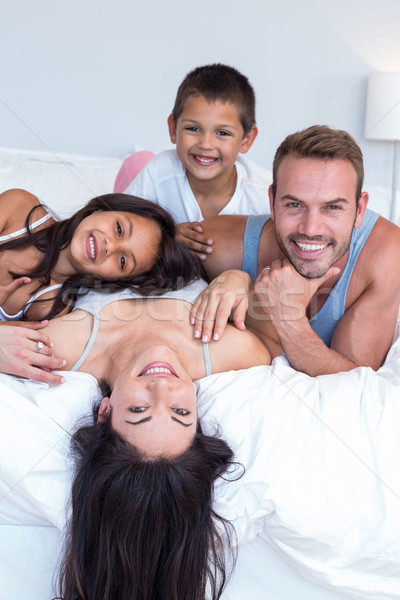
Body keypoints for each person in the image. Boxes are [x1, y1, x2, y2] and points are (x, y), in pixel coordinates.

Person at [16, 278, 270, 600]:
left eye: (138, 409)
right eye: (180, 412)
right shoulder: (235, 353)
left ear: (105, 412)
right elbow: (269, 310)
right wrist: (239, 281)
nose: (162, 387)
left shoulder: (57, 351)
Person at [189, 125, 400, 376]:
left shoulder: (385, 254)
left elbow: (353, 383)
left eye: (332, 207)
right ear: (272, 202)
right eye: (295, 204)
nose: (310, 229)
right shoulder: (219, 245)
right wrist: (236, 277)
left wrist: (287, 316)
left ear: (360, 210)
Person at [0, 189, 199, 383]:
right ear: (101, 208)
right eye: (119, 229)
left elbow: (9, 344)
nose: (110, 246)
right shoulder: (20, 207)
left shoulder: (50, 305)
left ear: (111, 280)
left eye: (122, 261)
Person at [122, 63, 272, 259]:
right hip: (147, 178)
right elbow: (121, 229)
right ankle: (132, 166)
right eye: (193, 129)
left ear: (246, 140)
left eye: (222, 133)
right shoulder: (158, 172)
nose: (206, 144)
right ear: (173, 129)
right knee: (135, 170)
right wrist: (165, 236)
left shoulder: (264, 196)